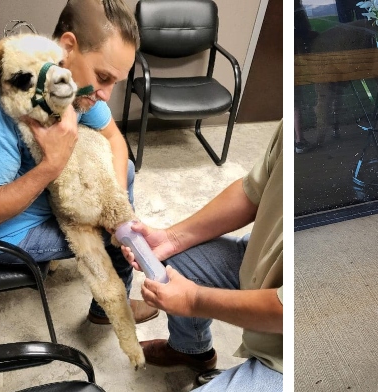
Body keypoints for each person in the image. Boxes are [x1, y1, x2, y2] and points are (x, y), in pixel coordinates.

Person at [0, 0, 158, 325]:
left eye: (115, 83)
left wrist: (115, 207)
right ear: (68, 48)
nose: (106, 94)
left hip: (47, 197)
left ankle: (113, 242)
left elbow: (114, 139)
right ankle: (109, 309)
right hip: (5, 234)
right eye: (103, 77)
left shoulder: (73, 85)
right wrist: (52, 163)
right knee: (114, 241)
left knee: (125, 183)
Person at [121, 122, 283, 390]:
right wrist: (172, 238)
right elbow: (253, 191)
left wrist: (193, 300)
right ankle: (191, 350)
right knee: (174, 261)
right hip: (266, 257)